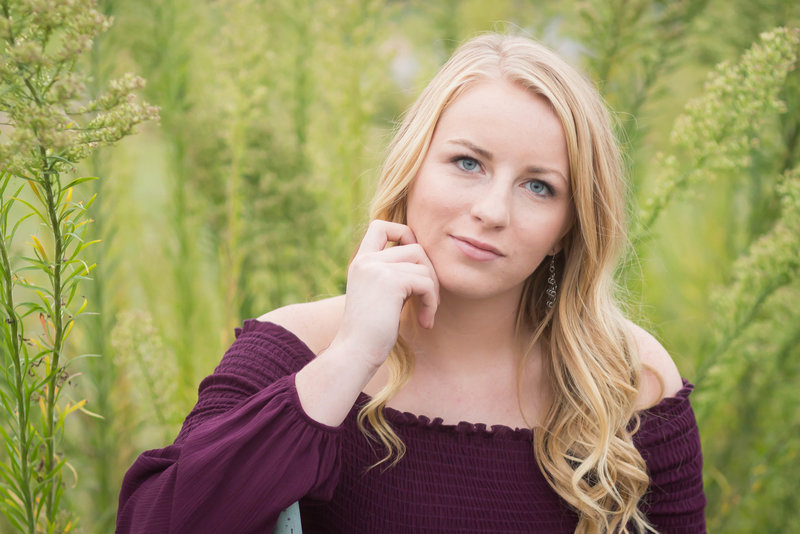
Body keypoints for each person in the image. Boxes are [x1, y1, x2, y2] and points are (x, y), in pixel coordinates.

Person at [115, 33, 705, 533]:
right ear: (413, 169)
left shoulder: (627, 380)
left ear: (566, 228)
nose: (492, 210)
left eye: (539, 186)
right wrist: (350, 357)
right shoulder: (299, 347)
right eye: (467, 163)